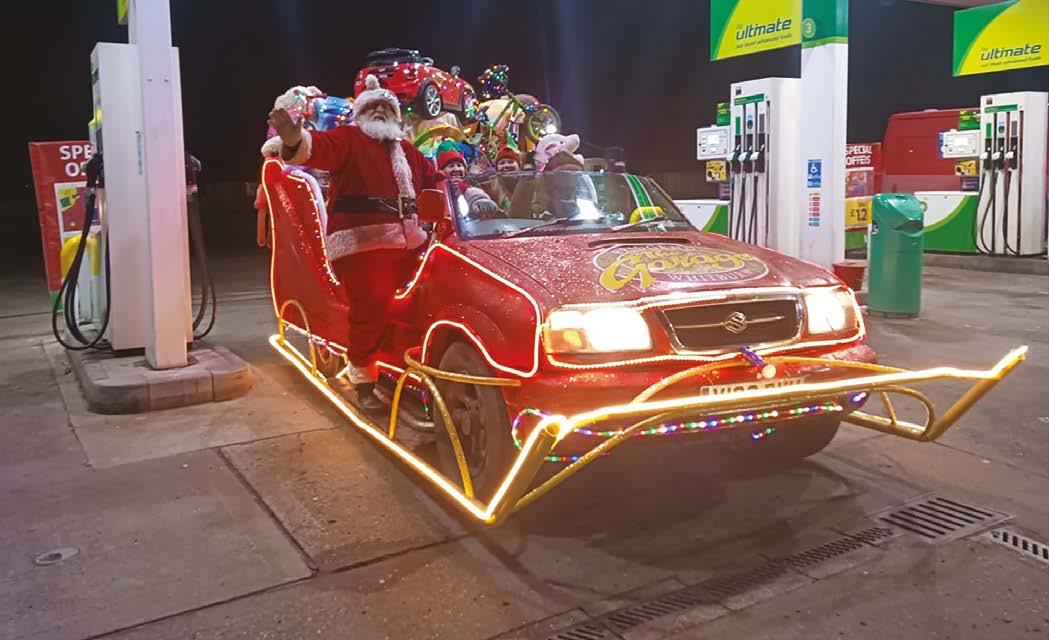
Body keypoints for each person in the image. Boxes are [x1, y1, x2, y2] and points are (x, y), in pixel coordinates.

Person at [267, 74, 437, 411]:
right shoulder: (348, 139)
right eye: (372, 108)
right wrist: (295, 139)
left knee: (436, 284)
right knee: (373, 300)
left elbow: (435, 180)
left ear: (395, 115)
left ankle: (414, 360)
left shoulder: (406, 149)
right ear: (360, 113)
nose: (379, 112)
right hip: (362, 244)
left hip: (409, 242)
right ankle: (363, 377)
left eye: (385, 107)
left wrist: (474, 196)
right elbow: (319, 149)